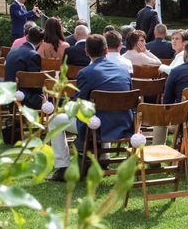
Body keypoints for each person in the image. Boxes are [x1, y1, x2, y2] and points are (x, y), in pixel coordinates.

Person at [47, 34, 132, 181]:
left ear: (86, 52)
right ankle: (104, 159)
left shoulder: (86, 73)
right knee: (103, 111)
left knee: (54, 120)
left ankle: (62, 167)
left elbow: (79, 104)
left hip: (98, 126)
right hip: (124, 123)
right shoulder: (123, 70)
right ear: (106, 50)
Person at [5, 26, 44, 109]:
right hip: (25, 98)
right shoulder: (33, 55)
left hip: (9, 94)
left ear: (27, 37)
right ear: (41, 42)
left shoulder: (13, 50)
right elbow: (35, 84)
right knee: (55, 98)